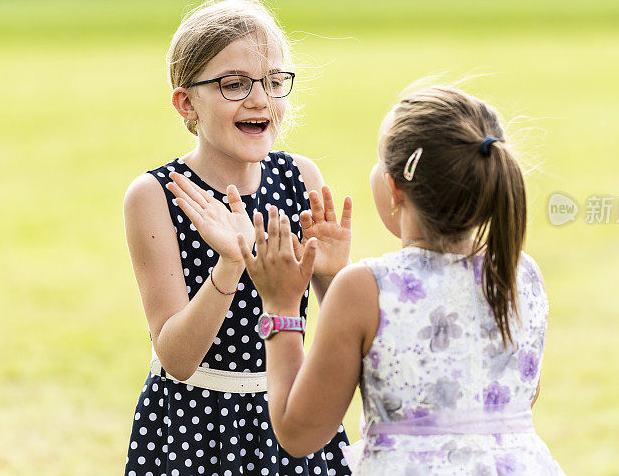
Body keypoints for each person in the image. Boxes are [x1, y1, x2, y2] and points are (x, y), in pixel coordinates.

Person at [205, 84, 567, 474]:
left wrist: (281, 306)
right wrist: (333, 275)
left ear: (395, 187)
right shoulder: (520, 272)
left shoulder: (366, 287)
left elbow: (298, 433)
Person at [123, 0, 352, 475]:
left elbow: (342, 335)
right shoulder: (156, 195)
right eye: (233, 84)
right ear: (186, 103)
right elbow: (177, 358)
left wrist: (335, 274)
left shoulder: (301, 178)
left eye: (272, 81)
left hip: (291, 410)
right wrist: (230, 262)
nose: (259, 100)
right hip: (195, 427)